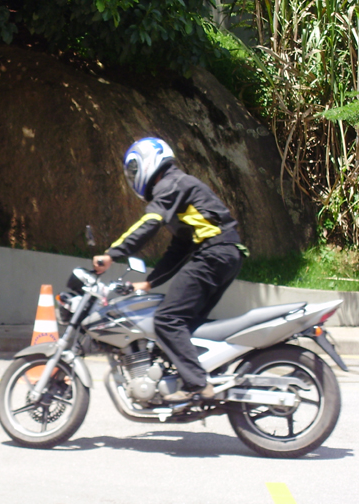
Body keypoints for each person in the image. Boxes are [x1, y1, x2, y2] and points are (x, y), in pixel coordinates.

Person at [92, 137, 248, 401]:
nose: (132, 176)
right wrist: (150, 282)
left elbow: (149, 223)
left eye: (133, 169)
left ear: (149, 160)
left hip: (213, 254)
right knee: (186, 322)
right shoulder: (179, 189)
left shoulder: (171, 184)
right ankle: (206, 373)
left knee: (166, 319)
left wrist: (111, 254)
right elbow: (180, 247)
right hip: (227, 254)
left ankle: (196, 384)